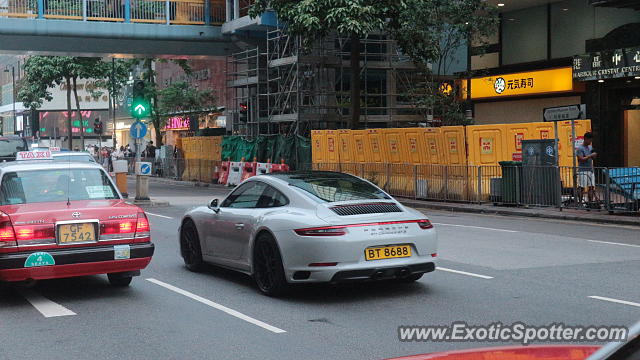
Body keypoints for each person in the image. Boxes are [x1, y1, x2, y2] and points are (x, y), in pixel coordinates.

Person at [576, 132, 597, 205]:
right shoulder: (580, 148)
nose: (590, 142)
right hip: (583, 170)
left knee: (591, 187)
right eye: (589, 140)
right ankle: (580, 202)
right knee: (582, 187)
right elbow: (581, 159)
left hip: (590, 170)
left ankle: (590, 202)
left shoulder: (590, 147)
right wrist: (590, 155)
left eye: (591, 140)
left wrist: (594, 156)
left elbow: (593, 157)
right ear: (585, 139)